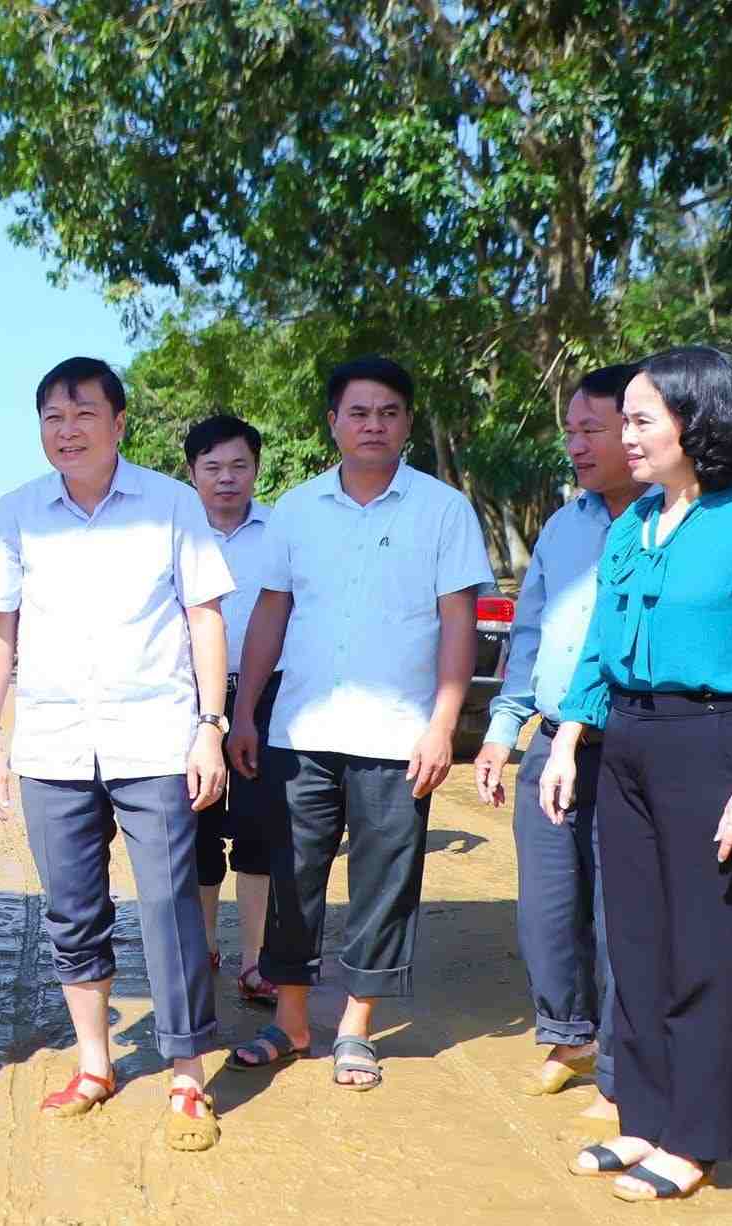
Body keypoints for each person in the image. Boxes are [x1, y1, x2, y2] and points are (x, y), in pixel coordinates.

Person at [541, 346, 732, 1202]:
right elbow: (599, 642)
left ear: (696, 422)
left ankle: (692, 1137)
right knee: (635, 939)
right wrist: (567, 738)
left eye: (639, 419)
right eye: (623, 420)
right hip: (625, 740)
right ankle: (642, 1121)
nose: (625, 436)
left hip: (714, 745)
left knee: (702, 947)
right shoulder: (632, 524)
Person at [0, 356, 233, 1152]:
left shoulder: (172, 504)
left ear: (120, 423)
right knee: (72, 910)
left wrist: (211, 725)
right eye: (52, 415)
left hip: (155, 739)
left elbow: (204, 618)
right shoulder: (18, 512)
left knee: (167, 905)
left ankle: (187, 1071)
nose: (68, 428)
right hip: (51, 745)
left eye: (84, 413)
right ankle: (96, 1063)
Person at [228, 355, 493, 1090]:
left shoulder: (443, 510)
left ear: (407, 422)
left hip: (398, 735)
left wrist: (444, 724)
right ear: (333, 422)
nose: (372, 424)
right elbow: (271, 612)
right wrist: (245, 712)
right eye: (358, 412)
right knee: (291, 877)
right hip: (300, 732)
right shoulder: (297, 509)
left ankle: (357, 1028)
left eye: (388, 412)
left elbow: (457, 623)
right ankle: (289, 1020)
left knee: (386, 881)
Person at [471, 364, 642, 1136]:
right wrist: (504, 730)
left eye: (591, 429)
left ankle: (620, 1066)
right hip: (552, 742)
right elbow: (531, 631)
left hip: (630, 743)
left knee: (621, 914)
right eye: (569, 430)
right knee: (547, 905)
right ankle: (567, 1036)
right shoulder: (565, 524)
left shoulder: (670, 523)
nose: (575, 443)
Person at [183, 414, 281, 1009]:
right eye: (212, 467)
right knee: (194, 826)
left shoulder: (281, 530)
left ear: (256, 469)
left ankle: (253, 960)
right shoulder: (175, 530)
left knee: (258, 828)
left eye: (239, 466)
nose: (226, 479)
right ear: (191, 472)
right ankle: (201, 950)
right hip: (189, 699)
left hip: (267, 695)